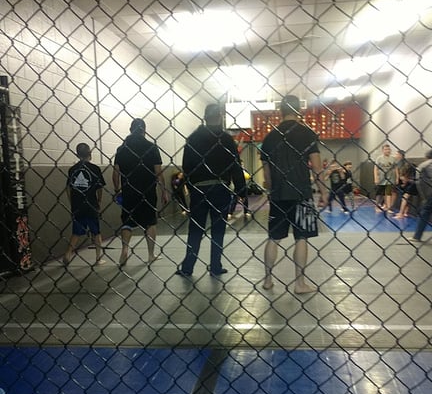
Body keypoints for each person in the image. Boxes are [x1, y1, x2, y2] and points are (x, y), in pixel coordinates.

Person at [259, 95, 327, 293]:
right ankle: (299, 283)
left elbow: (266, 173)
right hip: (302, 193)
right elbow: (316, 167)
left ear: (280, 111)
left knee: (273, 238)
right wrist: (323, 192)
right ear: (299, 110)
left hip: (278, 194)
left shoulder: (269, 138)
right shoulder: (307, 134)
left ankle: (268, 280)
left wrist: (271, 190)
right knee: (301, 238)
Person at [176, 103, 246, 277]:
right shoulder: (226, 139)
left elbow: (187, 166)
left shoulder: (193, 139)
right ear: (221, 117)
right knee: (218, 229)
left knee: (195, 229)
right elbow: (235, 166)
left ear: (205, 118)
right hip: (220, 187)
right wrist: (241, 190)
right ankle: (215, 265)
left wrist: (191, 187)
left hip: (199, 188)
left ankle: (188, 267)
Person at [112, 118, 169, 267]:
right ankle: (150, 255)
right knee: (150, 221)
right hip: (148, 191)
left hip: (128, 191)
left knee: (127, 221)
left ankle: (125, 250)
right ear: (144, 130)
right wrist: (163, 191)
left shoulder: (122, 148)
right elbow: (158, 172)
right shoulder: (151, 147)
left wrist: (117, 190)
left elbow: (115, 173)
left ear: (130, 130)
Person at [63, 142, 106, 266]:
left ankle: (68, 254)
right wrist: (99, 201)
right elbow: (100, 188)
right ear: (89, 153)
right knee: (96, 232)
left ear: (77, 155)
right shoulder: (95, 169)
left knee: (76, 232)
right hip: (91, 204)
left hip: (77, 205)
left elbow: (68, 188)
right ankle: (98, 258)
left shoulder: (72, 169)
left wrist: (72, 201)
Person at [410, 148, 432, 244]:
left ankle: (417, 236)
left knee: (425, 213)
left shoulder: (424, 165)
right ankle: (417, 236)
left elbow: (419, 182)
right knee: (425, 213)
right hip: (429, 194)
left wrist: (424, 197)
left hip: (429, 194)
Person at [374, 143, 397, 212]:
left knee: (388, 193)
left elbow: (395, 168)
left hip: (390, 178)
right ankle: (377, 206)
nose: (387, 151)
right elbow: (375, 168)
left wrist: (396, 177)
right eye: (386, 149)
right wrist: (376, 178)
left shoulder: (393, 158)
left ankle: (388, 207)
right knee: (380, 193)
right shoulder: (379, 158)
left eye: (389, 149)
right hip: (381, 178)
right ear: (383, 150)